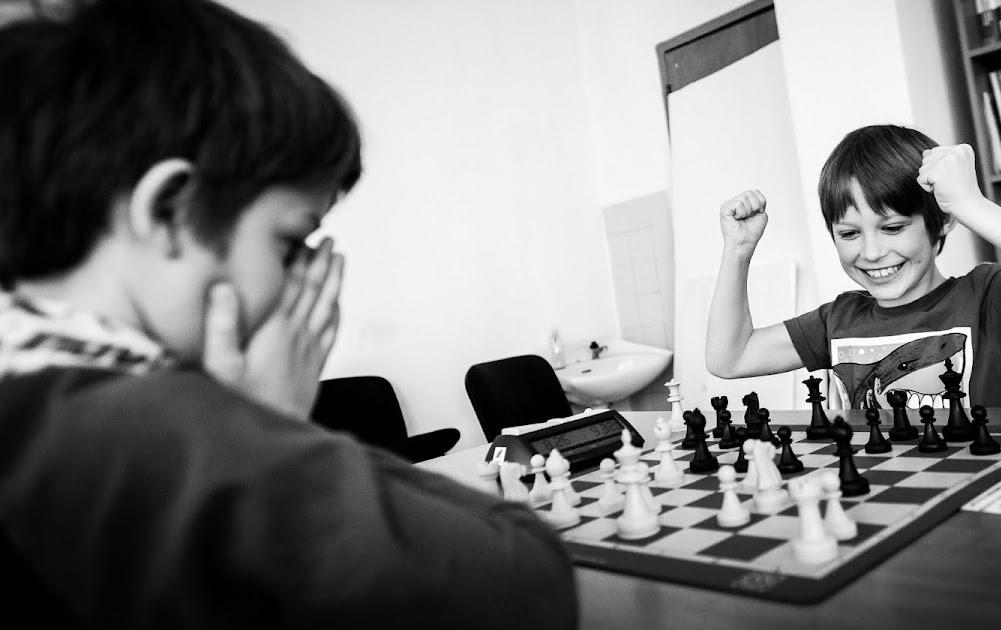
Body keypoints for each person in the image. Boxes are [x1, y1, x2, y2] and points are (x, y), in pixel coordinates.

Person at [0, 1, 576, 628]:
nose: (291, 287)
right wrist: (264, 422)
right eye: (289, 244)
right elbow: (530, 582)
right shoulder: (160, 431)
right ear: (170, 210)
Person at [706, 124, 1001, 409]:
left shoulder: (992, 299)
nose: (871, 252)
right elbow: (730, 358)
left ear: (943, 221)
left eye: (893, 227)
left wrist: (974, 206)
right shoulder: (839, 320)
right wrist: (738, 250)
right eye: (850, 233)